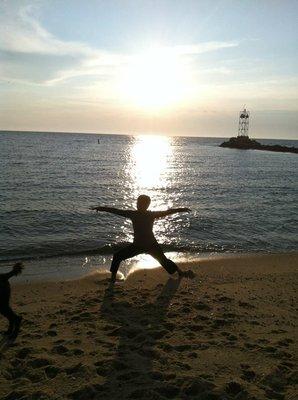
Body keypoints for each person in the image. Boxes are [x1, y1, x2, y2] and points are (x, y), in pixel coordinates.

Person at [91, 195, 195, 282]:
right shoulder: (135, 214)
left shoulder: (149, 214)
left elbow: (168, 212)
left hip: (150, 245)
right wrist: (102, 208)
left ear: (146, 205)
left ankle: (181, 272)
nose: (138, 205)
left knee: (164, 261)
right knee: (118, 256)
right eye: (138, 203)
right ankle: (113, 278)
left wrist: (181, 209)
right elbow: (116, 211)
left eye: (140, 203)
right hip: (139, 245)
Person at [0, 262, 24, 339]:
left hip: (2, 286)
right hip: (3, 283)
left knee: (4, 308)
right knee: (3, 309)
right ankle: (11, 327)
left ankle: (17, 320)